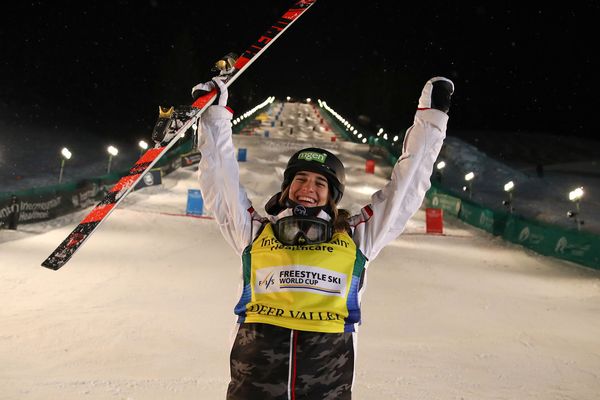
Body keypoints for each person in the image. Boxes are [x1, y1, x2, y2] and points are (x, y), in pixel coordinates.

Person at [193, 75, 453, 399]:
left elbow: (406, 188)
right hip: (254, 388)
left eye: (320, 183)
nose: (308, 189)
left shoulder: (357, 238)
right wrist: (214, 117)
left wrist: (432, 119)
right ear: (287, 188)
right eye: (300, 179)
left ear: (332, 195)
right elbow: (221, 182)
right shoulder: (256, 232)